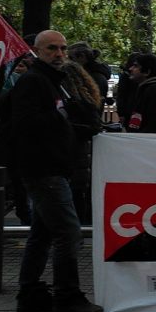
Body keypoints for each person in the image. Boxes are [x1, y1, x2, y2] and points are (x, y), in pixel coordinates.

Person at [9, 30, 102, 312]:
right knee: (68, 232)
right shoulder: (34, 82)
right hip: (44, 169)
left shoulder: (50, 81)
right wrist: (64, 123)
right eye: (52, 48)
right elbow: (27, 123)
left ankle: (31, 293)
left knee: (43, 232)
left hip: (49, 167)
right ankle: (66, 296)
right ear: (37, 50)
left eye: (62, 48)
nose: (59, 53)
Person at [59, 61, 103, 225]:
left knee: (73, 196)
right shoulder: (87, 99)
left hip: (73, 153)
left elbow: (91, 126)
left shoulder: (73, 102)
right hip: (82, 154)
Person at [127, 54, 156, 134]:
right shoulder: (146, 88)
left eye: (135, 66)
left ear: (147, 72)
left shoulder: (155, 91)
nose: (130, 69)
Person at [66, 42, 110, 110]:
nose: (68, 61)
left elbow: (89, 105)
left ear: (82, 56)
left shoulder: (95, 77)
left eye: (71, 58)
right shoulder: (94, 73)